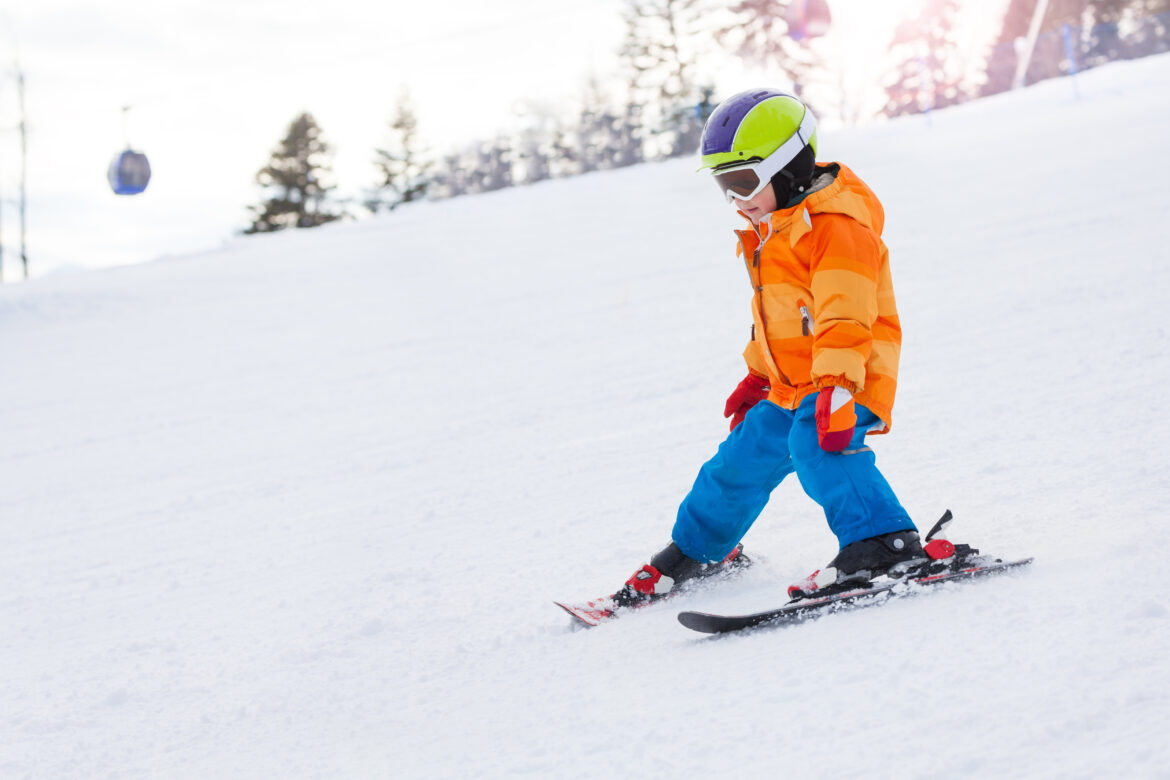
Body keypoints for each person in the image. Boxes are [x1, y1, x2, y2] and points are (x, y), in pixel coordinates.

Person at [610, 89, 926, 612]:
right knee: (738, 460)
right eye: (723, 184)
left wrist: (838, 389)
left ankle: (883, 542)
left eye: (743, 181)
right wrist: (759, 375)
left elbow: (844, 318)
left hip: (848, 376)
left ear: (788, 167)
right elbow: (777, 318)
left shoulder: (836, 229)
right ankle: (700, 550)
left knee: (817, 447)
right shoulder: (770, 227)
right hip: (792, 384)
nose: (736, 198)